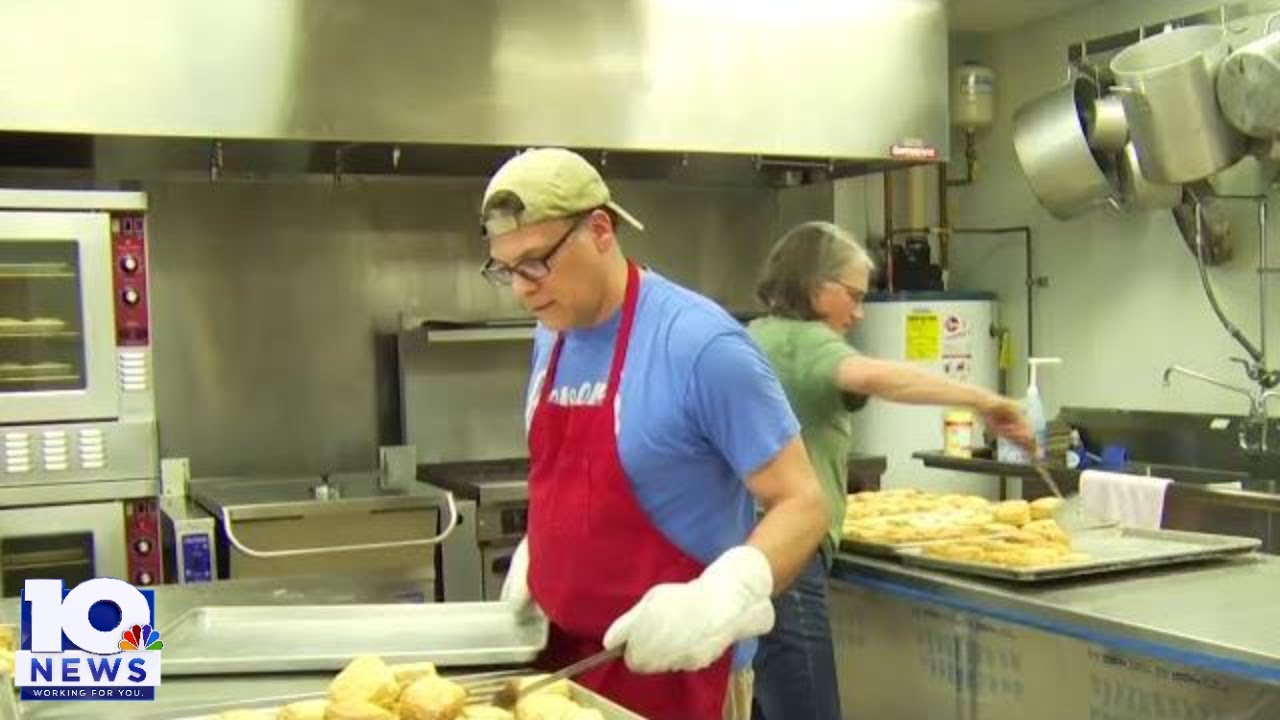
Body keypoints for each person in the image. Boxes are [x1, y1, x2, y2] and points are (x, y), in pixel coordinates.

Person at [479, 148, 828, 720]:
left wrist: (723, 597)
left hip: (679, 682)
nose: (522, 288)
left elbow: (802, 503)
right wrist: (538, 552)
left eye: (536, 262)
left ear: (599, 230)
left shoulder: (700, 346)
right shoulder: (553, 330)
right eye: (506, 269)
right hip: (563, 673)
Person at [746, 221, 1034, 720]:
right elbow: (877, 377)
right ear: (817, 288)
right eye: (853, 296)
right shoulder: (806, 342)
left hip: (748, 545)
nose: (858, 313)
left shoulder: (756, 333)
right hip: (789, 556)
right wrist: (985, 399)